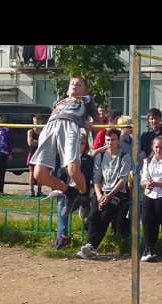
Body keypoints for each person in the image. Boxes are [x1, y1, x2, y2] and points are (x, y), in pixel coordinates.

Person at [30, 76, 97, 217]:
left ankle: (85, 199)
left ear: (85, 91)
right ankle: (69, 192)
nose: (75, 85)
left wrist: (89, 122)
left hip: (69, 127)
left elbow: (95, 117)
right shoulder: (58, 102)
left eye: (79, 85)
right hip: (50, 128)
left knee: (72, 170)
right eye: (72, 84)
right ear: (67, 90)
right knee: (39, 174)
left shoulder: (86, 100)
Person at [76, 129, 131, 259]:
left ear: (118, 141)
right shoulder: (100, 156)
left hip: (117, 193)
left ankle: (92, 247)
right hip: (101, 191)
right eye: (107, 140)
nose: (110, 142)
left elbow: (122, 180)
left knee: (105, 215)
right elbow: (96, 179)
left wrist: (109, 196)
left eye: (113, 139)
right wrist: (100, 195)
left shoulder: (124, 157)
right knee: (93, 215)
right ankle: (90, 246)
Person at [54, 134, 94, 249]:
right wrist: (63, 187)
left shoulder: (88, 159)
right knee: (62, 202)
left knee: (68, 205)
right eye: (77, 143)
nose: (79, 146)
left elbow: (86, 178)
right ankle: (62, 238)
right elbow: (60, 174)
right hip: (67, 191)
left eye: (82, 143)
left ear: (85, 145)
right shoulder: (66, 158)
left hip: (81, 192)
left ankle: (84, 240)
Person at [27, 115, 46, 197]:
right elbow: (30, 143)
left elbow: (45, 143)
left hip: (40, 154)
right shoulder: (30, 131)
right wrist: (39, 142)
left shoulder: (44, 131)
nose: (36, 124)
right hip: (32, 153)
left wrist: (37, 142)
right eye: (34, 122)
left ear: (41, 122)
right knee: (31, 173)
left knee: (40, 173)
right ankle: (31, 191)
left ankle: (39, 191)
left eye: (38, 122)